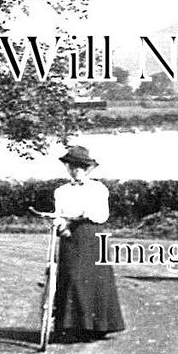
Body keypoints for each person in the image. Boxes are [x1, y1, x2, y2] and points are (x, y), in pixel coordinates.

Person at [33, 145, 125, 342]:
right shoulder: (62, 191)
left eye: (79, 167)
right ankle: (71, 326)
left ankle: (96, 327)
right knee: (71, 277)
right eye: (71, 166)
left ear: (87, 169)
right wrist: (60, 224)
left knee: (94, 279)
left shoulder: (98, 189)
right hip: (69, 238)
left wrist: (81, 215)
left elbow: (101, 215)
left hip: (90, 235)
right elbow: (59, 213)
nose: (75, 170)